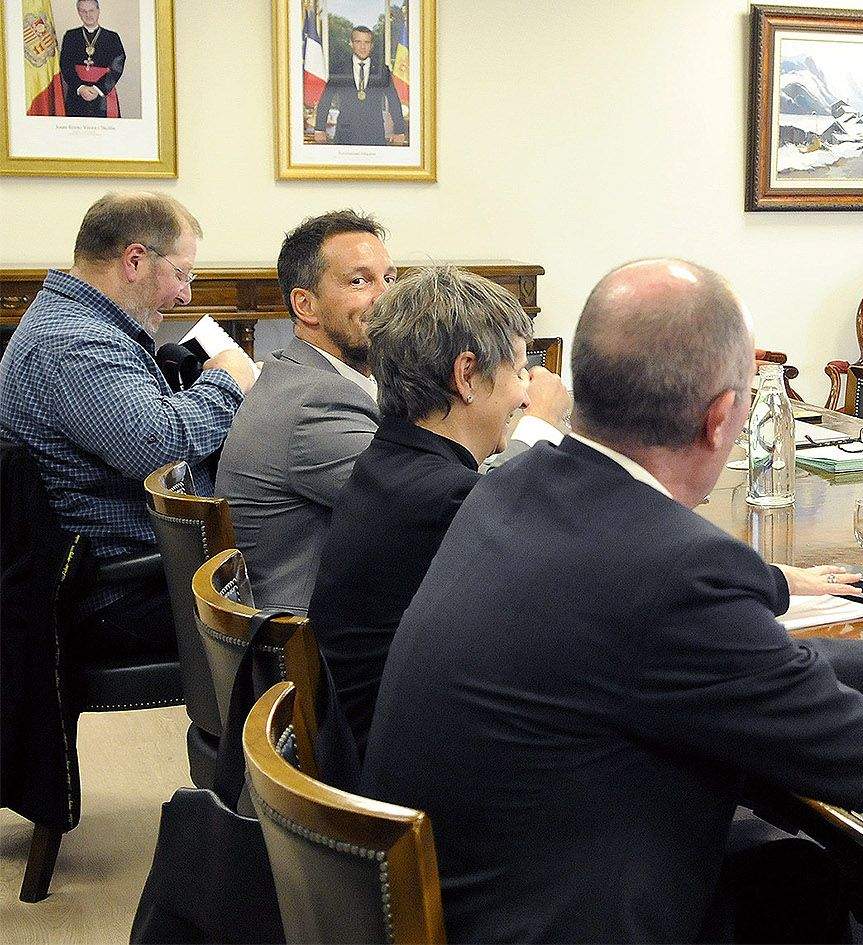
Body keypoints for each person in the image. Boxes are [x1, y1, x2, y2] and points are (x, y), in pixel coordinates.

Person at [359, 258, 863, 942]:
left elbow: (726, 663)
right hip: (570, 918)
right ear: (720, 418)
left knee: (799, 872)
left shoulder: (516, 485)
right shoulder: (668, 568)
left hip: (472, 896)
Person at [217, 211, 568, 609]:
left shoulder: (307, 377)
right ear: (306, 305)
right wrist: (538, 424)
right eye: (359, 281)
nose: (385, 297)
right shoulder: (315, 404)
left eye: (389, 278)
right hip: (303, 634)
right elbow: (457, 506)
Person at [307, 266, 570, 751]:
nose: (523, 395)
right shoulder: (445, 499)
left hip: (376, 737)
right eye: (517, 372)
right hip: (404, 764)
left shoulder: (388, 464)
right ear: (466, 375)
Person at [0, 192, 255, 655]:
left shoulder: (80, 325)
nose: (185, 294)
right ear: (135, 260)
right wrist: (228, 380)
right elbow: (159, 445)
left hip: (131, 570)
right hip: (121, 590)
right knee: (301, 599)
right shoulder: (76, 344)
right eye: (181, 274)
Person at [311, 26, 408, 146]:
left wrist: (399, 130)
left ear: (371, 45)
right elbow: (326, 99)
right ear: (351, 44)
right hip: (345, 135)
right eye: (358, 42)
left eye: (367, 42)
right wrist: (319, 129)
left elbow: (393, 101)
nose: (363, 47)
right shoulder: (339, 69)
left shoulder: (382, 70)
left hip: (375, 135)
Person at [59, 0, 125, 119]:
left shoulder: (112, 37)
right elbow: (65, 65)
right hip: (77, 93)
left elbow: (117, 66)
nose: (88, 15)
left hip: (103, 93)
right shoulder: (70, 36)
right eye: (83, 11)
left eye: (91, 10)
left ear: (98, 11)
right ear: (78, 12)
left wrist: (98, 89)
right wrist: (80, 88)